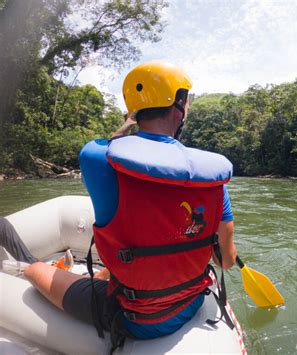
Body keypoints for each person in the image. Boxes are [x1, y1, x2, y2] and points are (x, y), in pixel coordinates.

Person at [23, 61, 237, 347]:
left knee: (32, 270)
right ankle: (103, 275)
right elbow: (226, 261)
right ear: (180, 106)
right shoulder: (211, 179)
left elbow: (111, 146)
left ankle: (26, 269)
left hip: (132, 318)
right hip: (190, 304)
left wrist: (128, 122)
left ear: (134, 112)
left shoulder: (98, 159)